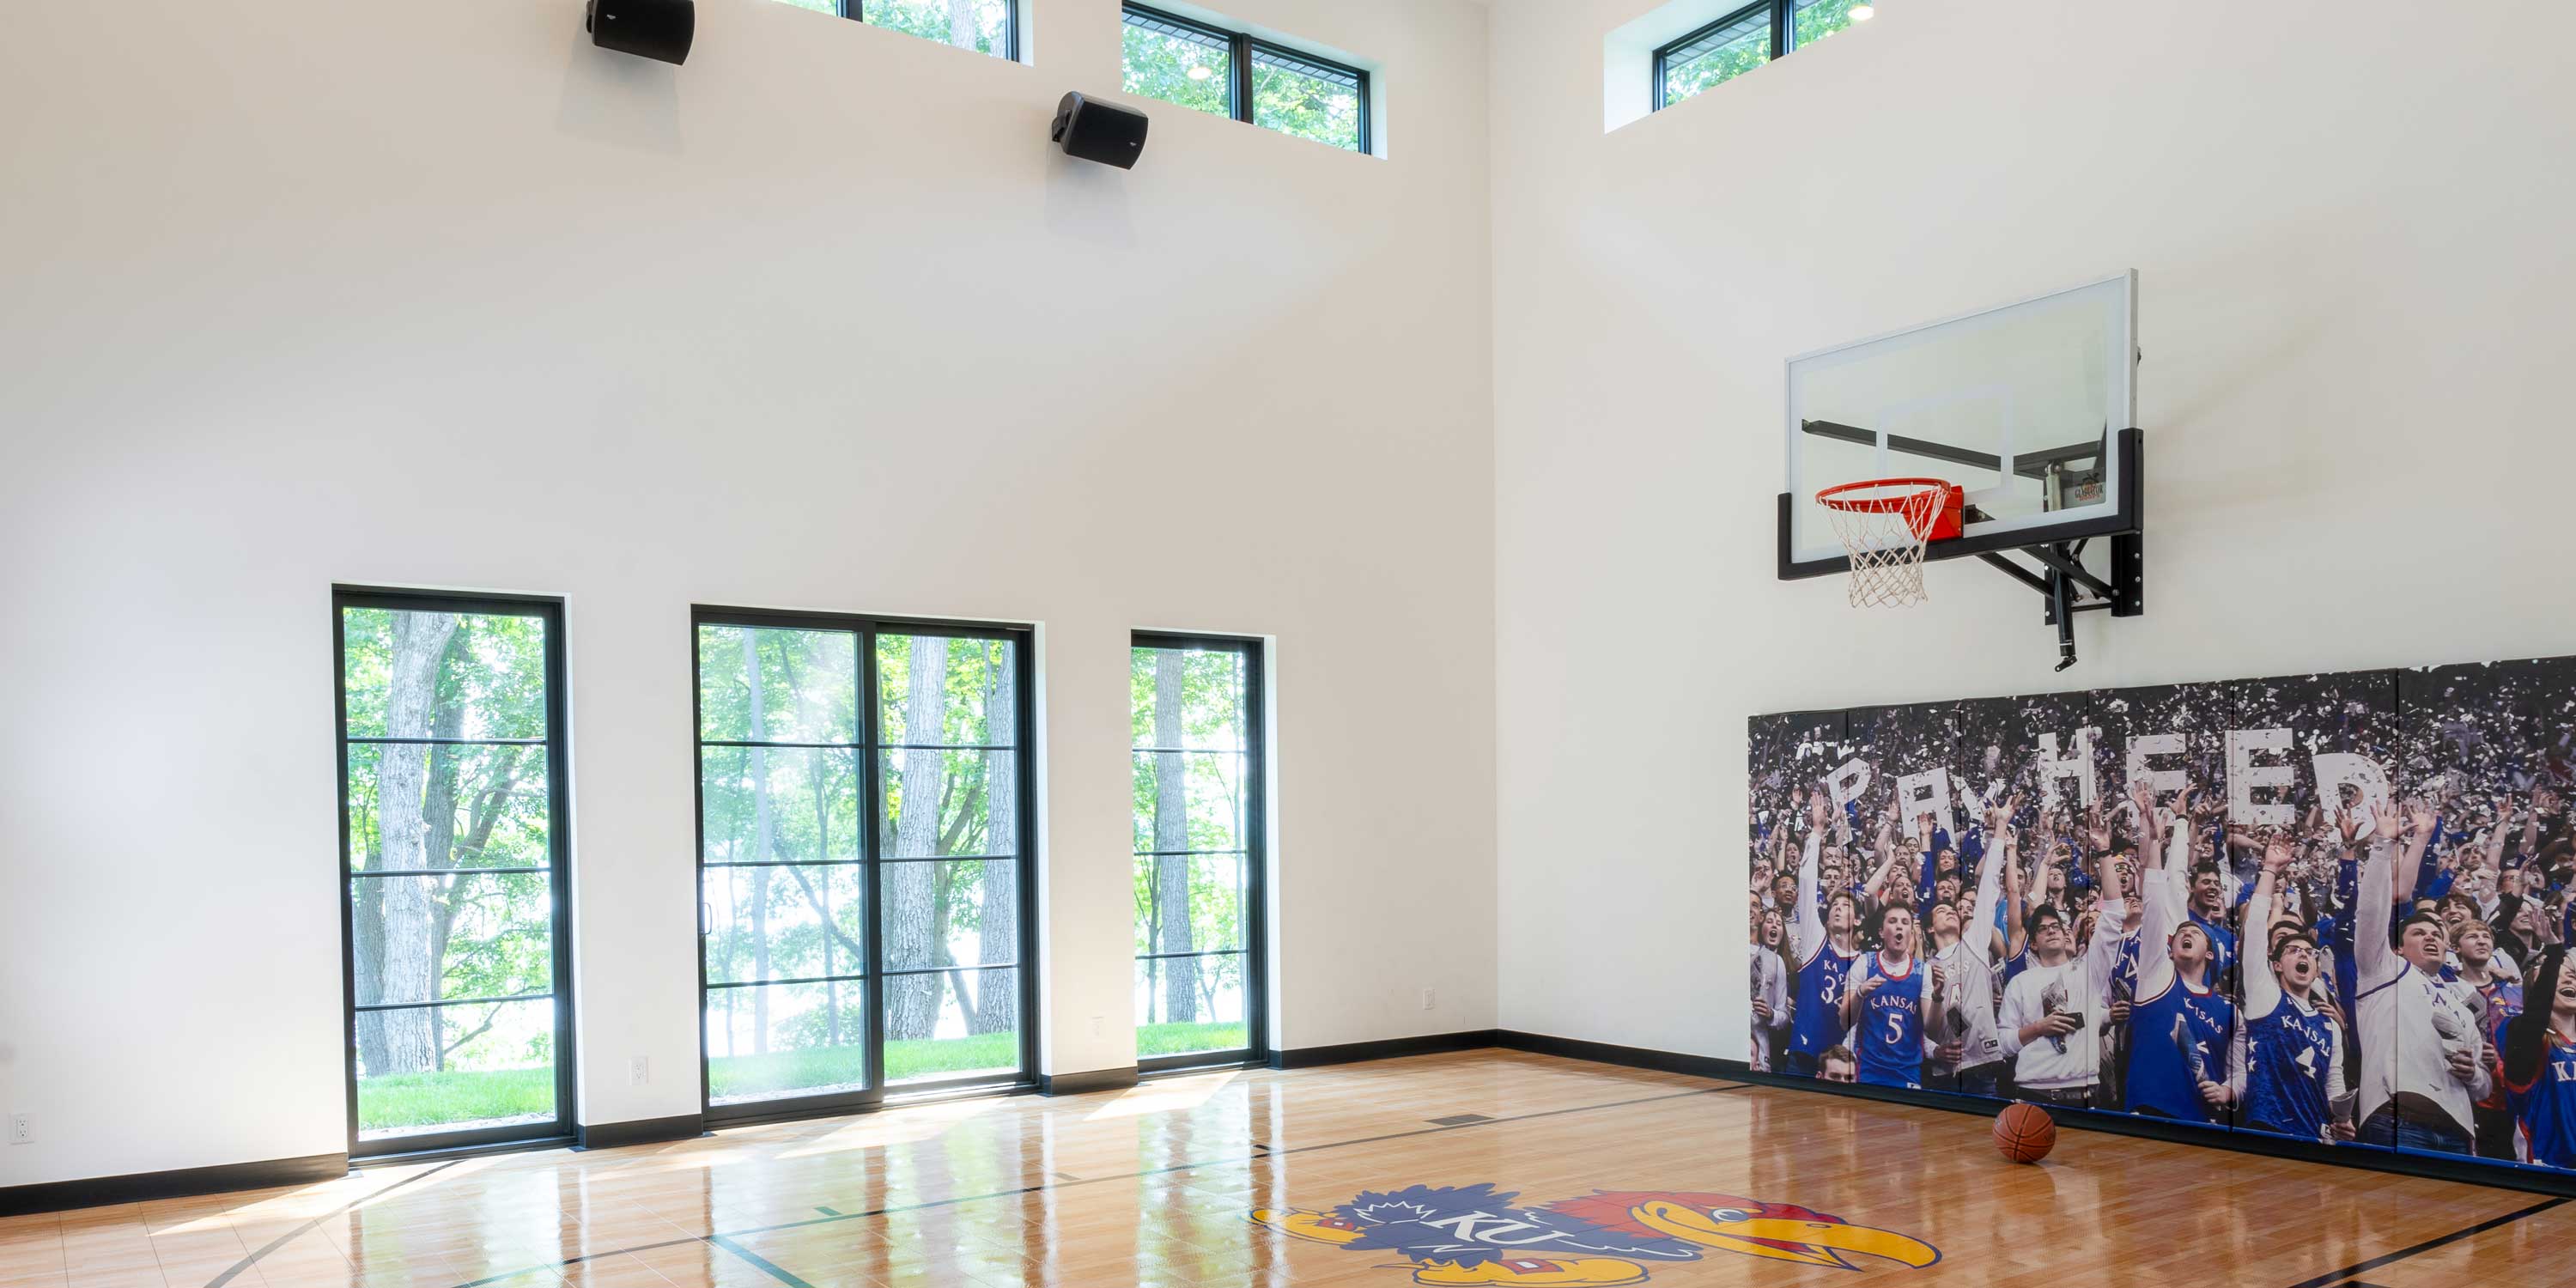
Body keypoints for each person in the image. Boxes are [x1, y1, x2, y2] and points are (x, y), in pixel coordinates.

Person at [2354, 803, 2491, 1154]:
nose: (2431, 937)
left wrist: (2473, 1072)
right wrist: (2383, 846)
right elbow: (2371, 912)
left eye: (2437, 933)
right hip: (2397, 1122)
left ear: (2449, 945)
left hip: (2457, 1133)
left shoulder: (2461, 1002)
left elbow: (2484, 1088)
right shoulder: (2384, 970)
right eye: (2419, 932)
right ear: (2398, 947)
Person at [2123, 784, 2235, 1126]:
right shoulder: (2157, 976)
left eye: (2196, 932)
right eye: (2182, 932)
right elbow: (2158, 902)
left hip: (2203, 1124)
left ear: (2213, 955)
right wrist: (2155, 840)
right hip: (2149, 1116)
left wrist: (2232, 1089)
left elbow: (2242, 1066)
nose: (2187, 931)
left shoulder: (2230, 1011)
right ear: (2169, 947)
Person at [2237, 837, 2347, 1141]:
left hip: (2315, 1135)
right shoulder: (2266, 996)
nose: (2303, 955)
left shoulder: (2329, 1025)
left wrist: (2342, 1122)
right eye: (2293, 951)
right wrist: (2270, 869)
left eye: (2309, 953)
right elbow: (2256, 930)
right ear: (2275, 965)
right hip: (2267, 1127)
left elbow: (2334, 1083)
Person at [2000, 854, 2127, 1108]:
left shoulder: (2088, 971)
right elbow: (2003, 1044)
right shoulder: (2020, 982)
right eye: (2043, 928)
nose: (2051, 930)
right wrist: (2039, 1028)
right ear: (2033, 943)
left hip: (2084, 1093)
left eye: (2056, 925)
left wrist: (2103, 855)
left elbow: (2113, 915)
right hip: (2032, 1093)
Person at [1787, 793, 1861, 1078]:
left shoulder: (1864, 962)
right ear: (1826, 916)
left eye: (1847, 906)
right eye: (1836, 905)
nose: (1840, 909)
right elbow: (1805, 882)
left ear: (1857, 920)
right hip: (1804, 1055)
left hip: (1840, 1064)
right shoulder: (1816, 942)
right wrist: (1817, 832)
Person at [2500, 946, 2576, 1168]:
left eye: (2571, 977)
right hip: (2549, 1166)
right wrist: (2554, 953)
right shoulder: (2524, 1037)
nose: (2567, 981)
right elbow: (2534, 1019)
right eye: (2554, 977)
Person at [1845, 902, 1929, 1090]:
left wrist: (1938, 997)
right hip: (1869, 1069)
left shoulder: (1924, 972)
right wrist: (1859, 994)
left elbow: (1932, 1030)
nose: (1899, 926)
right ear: (1882, 932)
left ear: (1911, 932)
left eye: (1905, 922)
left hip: (1908, 1072)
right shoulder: (1864, 963)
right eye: (1892, 921)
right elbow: (1844, 1021)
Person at [1749, 896, 1791, 1074]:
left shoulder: (1775, 961)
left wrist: (1770, 1013)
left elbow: (1784, 1015)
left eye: (1755, 905)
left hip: (1759, 1051)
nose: (1749, 909)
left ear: (1759, 916)